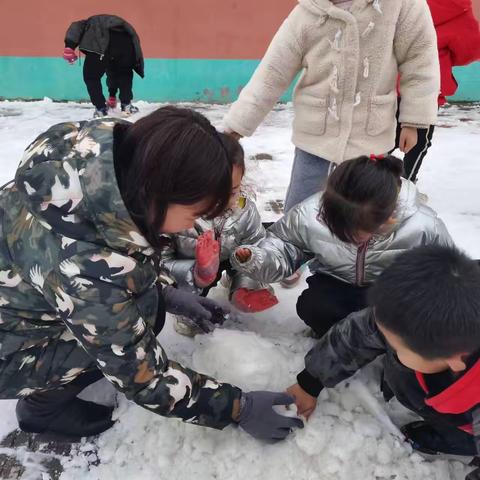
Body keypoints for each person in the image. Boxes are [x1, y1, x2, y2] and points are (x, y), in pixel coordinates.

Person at [0, 106, 302, 441]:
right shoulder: (83, 271)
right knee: (132, 329)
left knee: (147, 310)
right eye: (195, 213)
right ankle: (41, 412)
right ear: (157, 194)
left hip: (22, 300)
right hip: (7, 354)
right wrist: (238, 408)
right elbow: (142, 376)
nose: (196, 224)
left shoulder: (104, 160)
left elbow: (119, 254)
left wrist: (166, 293)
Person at [223, 0, 440, 212]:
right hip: (315, 140)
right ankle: (297, 249)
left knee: (366, 217)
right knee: (300, 213)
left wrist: (413, 121)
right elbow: (272, 74)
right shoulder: (307, 14)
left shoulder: (399, 6)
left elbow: (420, 60)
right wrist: (236, 126)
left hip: (370, 140)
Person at [288, 245, 480, 480]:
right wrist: (311, 381)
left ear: (455, 359)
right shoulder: (417, 315)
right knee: (403, 368)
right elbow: (358, 334)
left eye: (396, 346)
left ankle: (457, 441)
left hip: (465, 410)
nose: (385, 344)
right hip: (441, 388)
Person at [232, 155, 452, 338]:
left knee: (402, 328)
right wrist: (258, 258)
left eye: (354, 234)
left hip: (392, 294)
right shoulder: (310, 214)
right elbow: (285, 245)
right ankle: (336, 339)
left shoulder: (423, 225)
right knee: (313, 307)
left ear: (388, 221)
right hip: (337, 283)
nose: (347, 240)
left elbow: (448, 272)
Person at [161, 136, 278, 336]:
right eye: (212, 193)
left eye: (232, 192)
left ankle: (237, 284)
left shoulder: (244, 209)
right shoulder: (176, 216)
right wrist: (200, 272)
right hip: (191, 265)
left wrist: (246, 279)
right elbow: (162, 261)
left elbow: (257, 244)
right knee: (195, 312)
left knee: (249, 267)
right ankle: (189, 308)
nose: (223, 202)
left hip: (231, 255)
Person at [395, 0, 480, 182]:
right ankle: (406, 184)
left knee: (377, 138)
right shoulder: (461, 10)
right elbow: (469, 51)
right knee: (418, 142)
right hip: (427, 88)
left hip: (389, 81)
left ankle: (366, 184)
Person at [63, 14, 144, 117]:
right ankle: (127, 106)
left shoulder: (87, 23)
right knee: (124, 73)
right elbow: (112, 72)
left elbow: (75, 27)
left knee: (91, 77)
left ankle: (101, 109)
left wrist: (69, 47)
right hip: (126, 43)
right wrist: (112, 95)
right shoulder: (118, 23)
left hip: (101, 45)